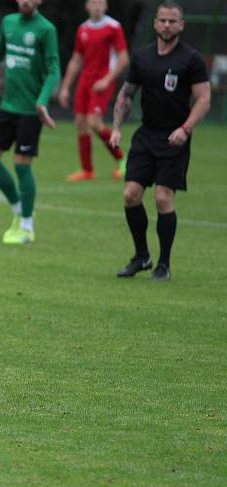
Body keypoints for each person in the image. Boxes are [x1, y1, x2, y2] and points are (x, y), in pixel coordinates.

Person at [110, 1, 211, 282]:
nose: (167, 25)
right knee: (130, 194)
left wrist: (186, 129)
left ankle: (164, 265)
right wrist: (116, 128)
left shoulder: (191, 59)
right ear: (155, 23)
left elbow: (204, 99)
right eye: (162, 20)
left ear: (181, 25)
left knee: (163, 197)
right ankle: (142, 256)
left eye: (172, 21)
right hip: (146, 134)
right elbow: (126, 94)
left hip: (174, 137)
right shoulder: (142, 57)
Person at [0, 0, 60, 245]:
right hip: (8, 106)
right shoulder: (8, 22)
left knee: (22, 164)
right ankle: (19, 208)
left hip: (31, 110)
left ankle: (27, 227)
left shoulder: (46, 29)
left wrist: (42, 101)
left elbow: (53, 69)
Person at [59, 0, 129, 182]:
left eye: (101, 2)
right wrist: (65, 87)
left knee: (94, 123)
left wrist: (107, 80)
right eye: (94, 2)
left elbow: (123, 58)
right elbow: (76, 59)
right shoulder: (82, 29)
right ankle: (87, 170)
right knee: (81, 123)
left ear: (106, 6)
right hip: (85, 80)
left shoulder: (113, 27)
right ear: (87, 6)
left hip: (102, 79)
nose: (97, 5)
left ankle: (123, 159)